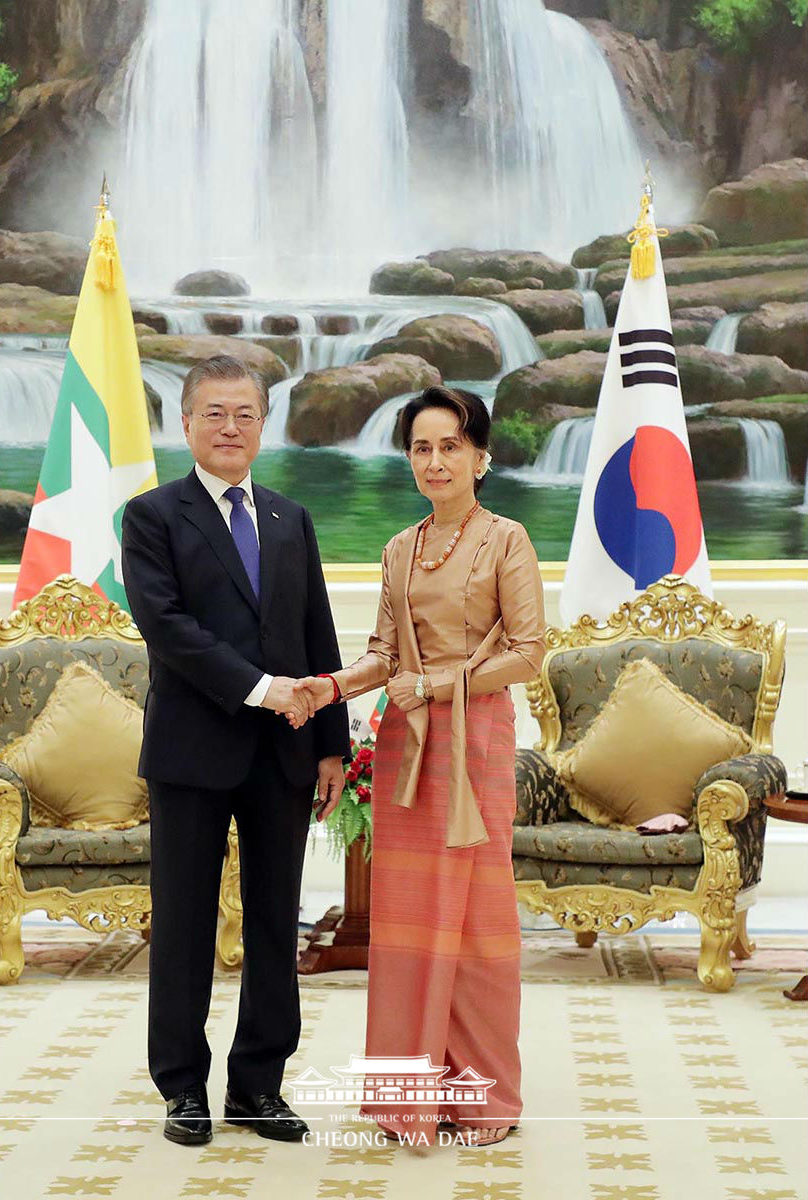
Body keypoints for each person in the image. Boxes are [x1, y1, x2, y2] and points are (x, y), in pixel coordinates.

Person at [293, 385, 546, 1148]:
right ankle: (409, 1096)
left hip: (474, 745)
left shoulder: (507, 539)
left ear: (480, 456)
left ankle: (484, 1102)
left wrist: (439, 684)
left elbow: (530, 654)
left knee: (474, 923)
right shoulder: (399, 548)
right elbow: (383, 655)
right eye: (420, 448)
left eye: (449, 446)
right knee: (404, 927)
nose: (434, 461)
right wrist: (327, 687)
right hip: (404, 746)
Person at [121, 354, 349, 1147]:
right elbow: (167, 629)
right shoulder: (152, 516)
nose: (229, 427)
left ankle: (258, 1087)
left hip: (284, 752)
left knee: (272, 925)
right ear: (184, 423)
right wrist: (261, 687)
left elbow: (316, 632)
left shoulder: (290, 517)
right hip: (191, 750)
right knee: (182, 924)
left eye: (244, 413)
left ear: (262, 424)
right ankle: (182, 1088)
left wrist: (331, 745)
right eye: (213, 413)